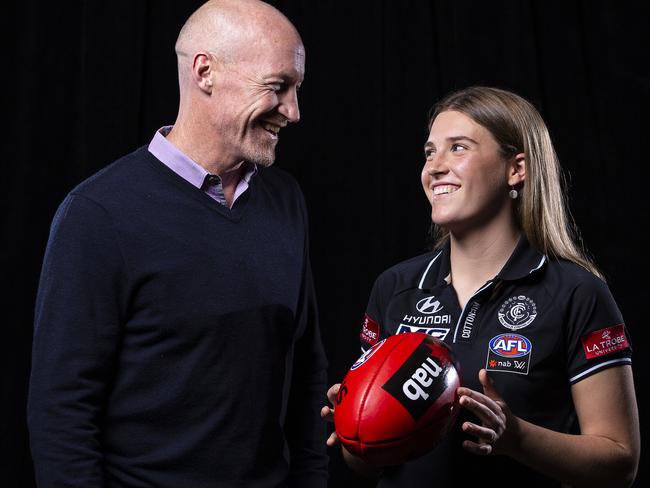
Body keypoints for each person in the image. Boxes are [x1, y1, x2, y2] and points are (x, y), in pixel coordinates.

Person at [27, 1, 328, 486]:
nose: (293, 112)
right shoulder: (98, 213)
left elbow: (308, 369)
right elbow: (61, 411)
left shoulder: (286, 200)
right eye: (278, 87)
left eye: (297, 88)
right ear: (204, 72)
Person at [322, 86, 640, 487]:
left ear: (516, 169)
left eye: (458, 148)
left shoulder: (577, 293)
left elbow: (620, 462)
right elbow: (365, 465)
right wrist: (358, 431)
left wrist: (516, 437)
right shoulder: (396, 287)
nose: (435, 166)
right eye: (429, 152)